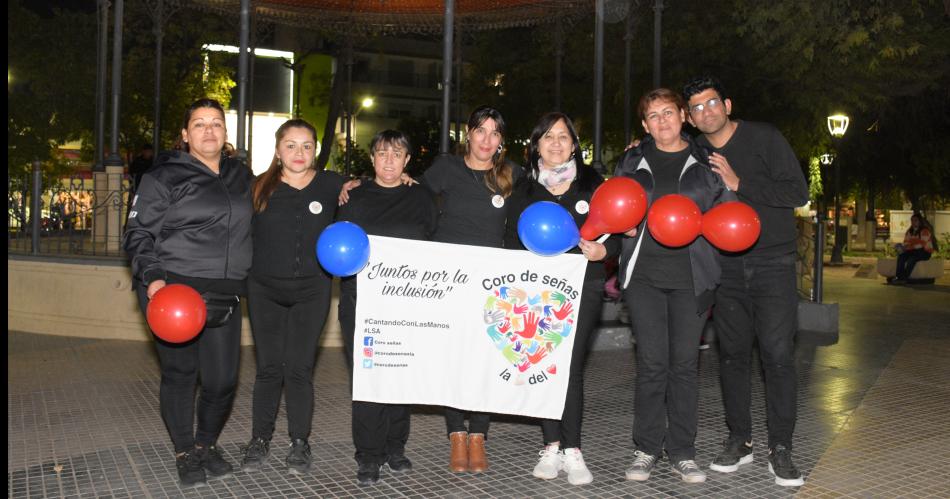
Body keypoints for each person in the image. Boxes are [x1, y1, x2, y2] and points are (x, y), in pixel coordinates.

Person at [683, 75, 809, 487]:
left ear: (727, 105)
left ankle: (781, 447)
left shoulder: (765, 138)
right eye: (697, 108)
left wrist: (741, 184)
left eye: (712, 103)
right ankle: (741, 439)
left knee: (777, 355)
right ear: (690, 118)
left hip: (773, 262)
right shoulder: (696, 150)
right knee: (732, 356)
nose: (706, 112)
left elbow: (798, 192)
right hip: (726, 267)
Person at [123, 98, 253, 487]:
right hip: (174, 291)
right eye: (199, 123)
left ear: (225, 132)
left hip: (225, 292)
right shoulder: (164, 176)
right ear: (185, 134)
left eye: (216, 123)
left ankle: (205, 444)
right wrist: (153, 278)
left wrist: (344, 187)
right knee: (181, 374)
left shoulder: (241, 175)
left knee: (222, 380)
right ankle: (184, 451)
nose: (209, 130)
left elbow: (280, 199)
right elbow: (138, 233)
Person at [614, 88, 734, 485]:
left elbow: (726, 212)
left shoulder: (706, 161)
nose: (662, 121)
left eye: (668, 112)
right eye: (653, 115)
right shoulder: (631, 160)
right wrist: (621, 226)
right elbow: (615, 205)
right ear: (644, 124)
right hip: (644, 278)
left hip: (691, 278)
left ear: (683, 116)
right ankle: (647, 448)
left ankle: (683, 451)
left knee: (684, 366)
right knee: (652, 365)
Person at [504, 112, 619, 485]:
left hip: (583, 286)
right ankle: (551, 444)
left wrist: (605, 252)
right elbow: (510, 240)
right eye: (548, 136)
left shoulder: (593, 184)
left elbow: (616, 234)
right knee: (545, 364)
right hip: (537, 292)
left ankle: (573, 449)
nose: (556, 143)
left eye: (563, 136)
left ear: (574, 145)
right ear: (536, 145)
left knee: (569, 366)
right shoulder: (524, 189)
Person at [239, 119, 344, 475]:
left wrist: (403, 178)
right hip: (264, 289)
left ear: (315, 150)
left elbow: (372, 192)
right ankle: (259, 439)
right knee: (269, 368)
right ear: (278, 150)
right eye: (291, 145)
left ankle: (300, 441)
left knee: (299, 368)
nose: (299, 153)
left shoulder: (332, 184)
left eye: (307, 146)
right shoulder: (258, 187)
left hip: (312, 290)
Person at [336, 130, 438, 486]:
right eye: (382, 153)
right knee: (367, 378)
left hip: (406, 304)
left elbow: (435, 246)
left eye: (397, 154)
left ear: (407, 160)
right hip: (360, 302)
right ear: (372, 159)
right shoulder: (353, 197)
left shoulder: (421, 197)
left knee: (400, 375)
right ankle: (368, 453)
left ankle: (396, 446)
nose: (389, 161)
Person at [424, 106, 522, 474]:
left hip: (491, 284)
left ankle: (479, 434)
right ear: (468, 134)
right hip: (449, 281)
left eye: (495, 133)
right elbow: (411, 198)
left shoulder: (512, 174)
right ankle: (456, 433)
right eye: (481, 130)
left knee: (485, 359)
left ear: (501, 141)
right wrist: (355, 186)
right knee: (454, 358)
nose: (486, 139)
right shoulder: (446, 167)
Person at [891, 212, 936, 284]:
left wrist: (909, 246)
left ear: (920, 221)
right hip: (913, 251)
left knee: (912, 259)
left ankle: (904, 278)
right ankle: (899, 277)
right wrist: (903, 247)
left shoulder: (925, 231)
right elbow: (906, 242)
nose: (913, 222)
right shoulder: (910, 231)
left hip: (925, 252)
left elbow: (922, 244)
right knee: (901, 257)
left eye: (915, 220)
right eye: (912, 220)